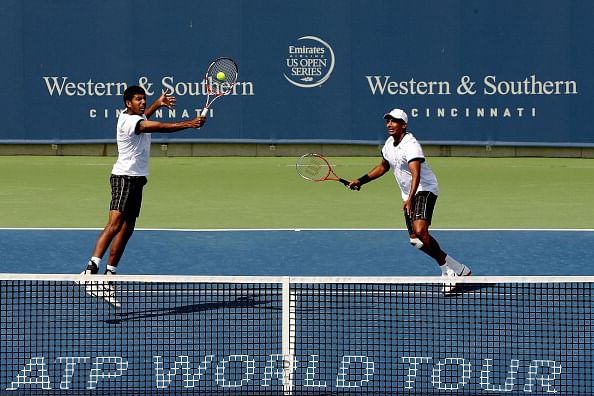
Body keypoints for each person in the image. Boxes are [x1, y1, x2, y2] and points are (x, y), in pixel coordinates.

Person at [80, 86, 205, 303]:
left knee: (127, 229)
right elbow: (158, 127)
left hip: (137, 180)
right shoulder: (130, 122)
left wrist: (158, 103)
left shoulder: (133, 116)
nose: (143, 102)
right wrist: (189, 123)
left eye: (144, 99)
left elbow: (146, 116)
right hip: (124, 178)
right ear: (128, 103)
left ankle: (109, 277)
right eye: (138, 99)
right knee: (115, 224)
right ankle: (90, 272)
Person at [348, 108, 470, 292]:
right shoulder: (389, 144)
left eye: (394, 121)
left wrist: (410, 199)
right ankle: (459, 269)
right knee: (415, 241)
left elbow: (416, 174)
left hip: (424, 189)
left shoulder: (411, 145)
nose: (389, 124)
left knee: (421, 231)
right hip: (409, 195)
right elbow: (383, 167)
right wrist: (361, 180)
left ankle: (447, 271)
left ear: (403, 125)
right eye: (388, 120)